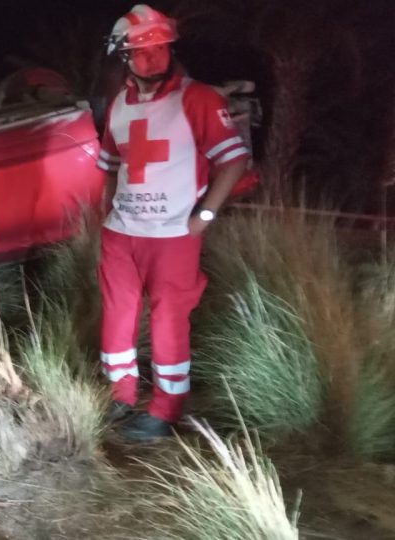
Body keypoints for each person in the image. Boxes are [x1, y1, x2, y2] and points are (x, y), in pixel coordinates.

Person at [96, 5, 249, 441]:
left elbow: (234, 160)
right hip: (121, 234)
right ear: (123, 57)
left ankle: (165, 411)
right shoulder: (118, 106)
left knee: (168, 320)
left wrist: (204, 215)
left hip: (174, 235)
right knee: (118, 315)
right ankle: (120, 397)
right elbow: (110, 165)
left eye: (160, 49)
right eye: (142, 52)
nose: (153, 59)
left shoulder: (199, 99)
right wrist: (105, 216)